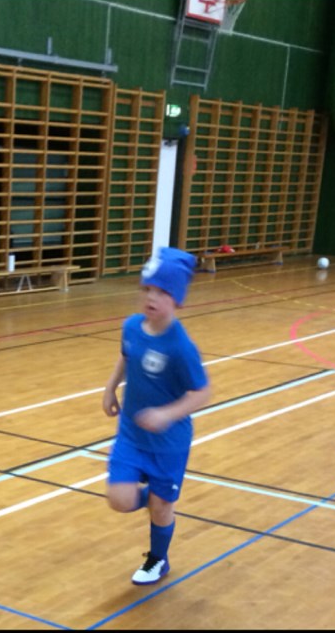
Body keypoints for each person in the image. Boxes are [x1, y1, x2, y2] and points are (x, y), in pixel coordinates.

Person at [102, 247, 210, 585]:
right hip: (132, 435)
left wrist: (167, 414)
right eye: (147, 289)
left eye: (162, 292)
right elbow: (126, 357)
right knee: (119, 500)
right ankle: (158, 498)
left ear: (177, 300)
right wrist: (110, 388)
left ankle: (157, 559)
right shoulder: (132, 327)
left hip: (168, 443)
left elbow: (202, 393)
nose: (151, 297)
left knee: (162, 508)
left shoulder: (181, 347)